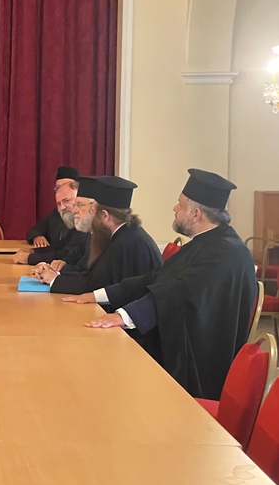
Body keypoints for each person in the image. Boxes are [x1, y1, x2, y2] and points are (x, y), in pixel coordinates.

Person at [66, 169, 258, 401]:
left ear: (196, 214)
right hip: (185, 338)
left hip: (202, 360)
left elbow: (178, 291)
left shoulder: (226, 252)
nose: (175, 209)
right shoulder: (206, 242)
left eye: (180, 205)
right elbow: (154, 278)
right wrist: (98, 295)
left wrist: (124, 316)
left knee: (109, 366)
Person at [32, 176, 162, 295]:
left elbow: (100, 286)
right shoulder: (107, 235)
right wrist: (54, 273)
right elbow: (91, 276)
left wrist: (55, 279)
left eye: (80, 205)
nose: (74, 210)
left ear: (104, 215)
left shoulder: (129, 242)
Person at [14, 168, 88, 265]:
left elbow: (67, 254)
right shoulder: (62, 216)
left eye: (67, 200)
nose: (62, 207)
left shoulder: (87, 221)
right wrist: (34, 251)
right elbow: (61, 246)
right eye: (59, 203)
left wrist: (30, 258)